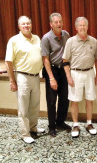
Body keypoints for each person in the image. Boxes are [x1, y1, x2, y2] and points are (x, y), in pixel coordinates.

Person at [5, 16, 45, 144]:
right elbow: (8, 61)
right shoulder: (14, 41)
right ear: (19, 26)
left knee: (34, 105)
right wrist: (12, 80)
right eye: (23, 24)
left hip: (35, 76)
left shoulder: (37, 38)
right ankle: (25, 133)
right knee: (23, 107)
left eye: (28, 23)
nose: (26, 26)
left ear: (31, 25)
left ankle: (33, 127)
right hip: (22, 77)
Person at [62, 17, 97, 138]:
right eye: (80, 25)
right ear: (76, 27)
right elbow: (65, 60)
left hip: (89, 73)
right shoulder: (70, 41)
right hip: (75, 73)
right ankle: (75, 124)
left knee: (89, 99)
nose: (82, 27)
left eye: (84, 25)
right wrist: (68, 76)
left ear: (87, 27)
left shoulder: (94, 41)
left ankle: (89, 123)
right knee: (75, 100)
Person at [41, 13, 71, 137]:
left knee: (65, 98)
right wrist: (51, 78)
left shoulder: (66, 35)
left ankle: (60, 122)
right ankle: (52, 126)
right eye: (56, 22)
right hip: (52, 70)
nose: (58, 24)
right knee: (52, 101)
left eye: (60, 21)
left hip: (63, 70)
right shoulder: (46, 38)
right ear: (51, 24)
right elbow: (45, 59)